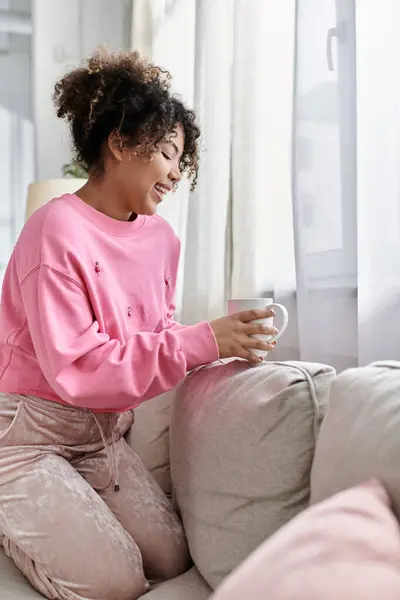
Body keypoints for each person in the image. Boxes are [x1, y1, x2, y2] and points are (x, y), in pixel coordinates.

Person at [0, 49, 278, 600]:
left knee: (171, 558)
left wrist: (222, 345)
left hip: (104, 436)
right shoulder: (54, 230)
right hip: (27, 436)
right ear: (121, 144)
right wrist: (203, 340)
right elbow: (78, 370)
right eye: (169, 154)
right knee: (117, 581)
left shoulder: (162, 241)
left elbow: (156, 337)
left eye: (183, 159)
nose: (178, 173)